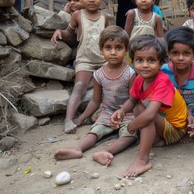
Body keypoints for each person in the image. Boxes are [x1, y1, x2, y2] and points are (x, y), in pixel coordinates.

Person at [54, 26, 137, 162]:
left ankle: (106, 151)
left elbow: (133, 99)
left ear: (126, 50)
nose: (113, 52)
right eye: (108, 48)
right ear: (101, 50)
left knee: (129, 136)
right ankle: (77, 149)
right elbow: (95, 101)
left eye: (118, 47)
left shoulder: (130, 73)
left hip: (128, 113)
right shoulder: (98, 74)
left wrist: (122, 111)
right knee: (94, 132)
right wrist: (81, 118)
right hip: (107, 113)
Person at [110, 34, 188, 177]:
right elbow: (132, 100)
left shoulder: (162, 81)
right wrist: (121, 111)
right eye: (139, 60)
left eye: (151, 60)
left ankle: (143, 160)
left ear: (161, 62)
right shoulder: (140, 79)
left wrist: (131, 126)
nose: (145, 65)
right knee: (138, 107)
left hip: (176, 129)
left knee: (146, 116)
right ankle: (157, 140)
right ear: (132, 61)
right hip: (163, 123)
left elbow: (150, 115)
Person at [51, 0, 109, 134]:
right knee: (79, 87)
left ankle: (85, 117)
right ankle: (68, 119)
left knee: (111, 87)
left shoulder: (105, 17)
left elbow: (109, 39)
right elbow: (70, 34)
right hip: (85, 59)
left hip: (104, 60)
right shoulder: (78, 15)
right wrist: (60, 32)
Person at [161, 26, 194, 139]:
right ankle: (178, 130)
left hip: (193, 111)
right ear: (169, 53)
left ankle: (192, 127)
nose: (180, 58)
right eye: (175, 53)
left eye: (186, 54)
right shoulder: (164, 71)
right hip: (172, 112)